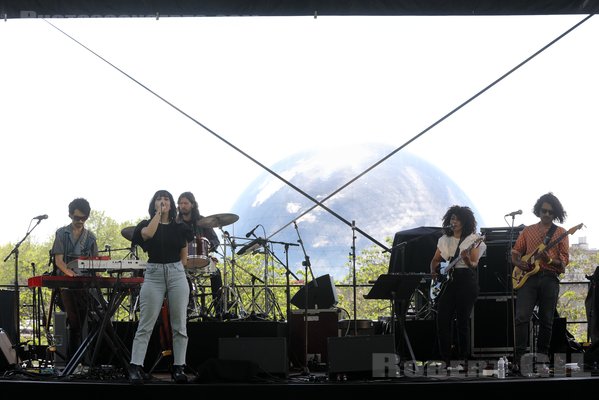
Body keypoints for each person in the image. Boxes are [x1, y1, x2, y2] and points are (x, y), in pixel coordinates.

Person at [128, 190, 193, 384]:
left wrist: (178, 270)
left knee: (179, 323)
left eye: (166, 199)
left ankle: (179, 367)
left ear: (171, 205)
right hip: (154, 273)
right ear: (153, 203)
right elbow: (147, 235)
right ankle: (135, 366)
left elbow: (184, 253)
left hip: (176, 273)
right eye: (159, 199)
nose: (162, 202)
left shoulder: (180, 227)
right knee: (146, 323)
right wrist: (158, 214)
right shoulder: (145, 225)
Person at [511, 192, 569, 372]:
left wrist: (549, 260)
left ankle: (542, 361)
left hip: (550, 278)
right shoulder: (528, 230)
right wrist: (517, 262)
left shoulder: (561, 233)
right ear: (538, 210)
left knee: (547, 321)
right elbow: (515, 252)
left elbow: (564, 261)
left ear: (556, 214)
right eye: (544, 210)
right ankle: (519, 360)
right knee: (521, 317)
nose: (547, 214)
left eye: (551, 212)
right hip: (528, 277)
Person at [429, 205, 485, 370]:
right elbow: (435, 260)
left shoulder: (473, 240)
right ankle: (446, 359)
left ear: (465, 222)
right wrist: (433, 272)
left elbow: (474, 264)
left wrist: (466, 260)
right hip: (449, 281)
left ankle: (463, 360)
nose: (455, 222)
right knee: (442, 319)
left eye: (458, 219)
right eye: (453, 218)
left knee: (462, 320)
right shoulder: (444, 239)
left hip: (466, 281)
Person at [51, 197, 99, 362]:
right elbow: (58, 261)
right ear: (70, 215)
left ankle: (79, 362)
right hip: (66, 282)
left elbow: (96, 263)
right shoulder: (61, 233)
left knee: (83, 321)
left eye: (83, 218)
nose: (80, 221)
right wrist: (69, 273)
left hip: (84, 282)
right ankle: (73, 362)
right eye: (76, 217)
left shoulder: (91, 237)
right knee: (74, 322)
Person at [176, 192, 223, 317]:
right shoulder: (176, 223)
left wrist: (208, 249)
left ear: (192, 204)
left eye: (185, 203)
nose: (183, 206)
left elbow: (215, 241)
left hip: (202, 261)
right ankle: (189, 306)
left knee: (216, 273)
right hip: (182, 263)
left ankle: (219, 308)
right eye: (180, 203)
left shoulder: (203, 222)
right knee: (182, 274)